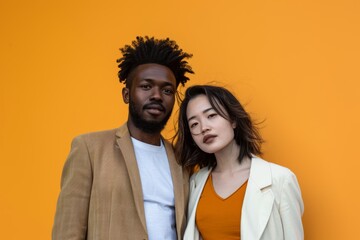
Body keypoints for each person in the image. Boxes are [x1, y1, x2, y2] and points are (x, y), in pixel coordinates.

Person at [52, 36, 194, 240]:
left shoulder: (182, 161)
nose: (157, 95)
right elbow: (67, 231)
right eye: (146, 86)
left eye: (167, 90)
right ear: (126, 95)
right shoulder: (89, 149)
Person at [174, 85, 304, 240]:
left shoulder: (280, 180)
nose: (204, 128)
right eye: (194, 124)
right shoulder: (195, 182)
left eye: (211, 115)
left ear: (233, 120)